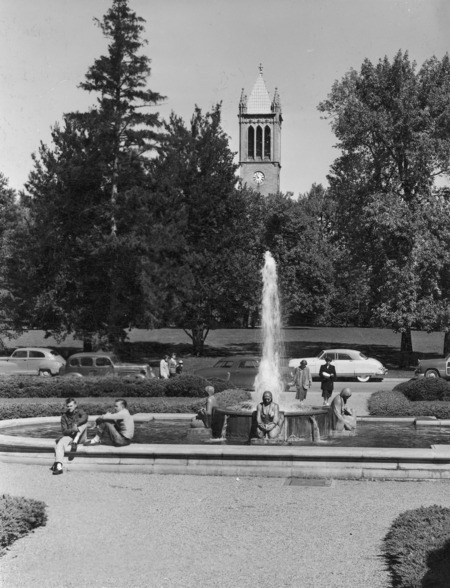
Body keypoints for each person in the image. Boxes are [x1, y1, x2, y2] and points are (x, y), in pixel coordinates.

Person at [51, 397, 88, 476]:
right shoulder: (64, 417)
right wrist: (72, 430)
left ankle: (75, 441)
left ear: (75, 405)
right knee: (60, 443)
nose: (69, 408)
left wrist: (76, 425)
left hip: (81, 436)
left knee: (84, 423)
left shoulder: (80, 412)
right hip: (71, 436)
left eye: (71, 406)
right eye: (68, 406)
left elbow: (85, 417)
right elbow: (64, 431)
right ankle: (59, 466)